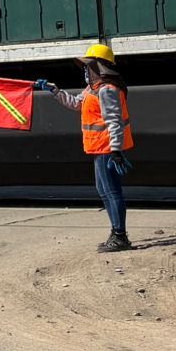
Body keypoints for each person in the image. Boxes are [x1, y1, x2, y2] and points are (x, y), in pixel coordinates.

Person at [36, 43, 135, 253]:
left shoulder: (107, 90)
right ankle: (116, 232)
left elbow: (114, 121)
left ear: (100, 67)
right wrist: (55, 91)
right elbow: (76, 103)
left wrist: (116, 150)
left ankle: (120, 237)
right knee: (104, 191)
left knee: (111, 191)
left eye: (88, 66)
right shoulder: (94, 88)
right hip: (99, 148)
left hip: (107, 148)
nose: (85, 70)